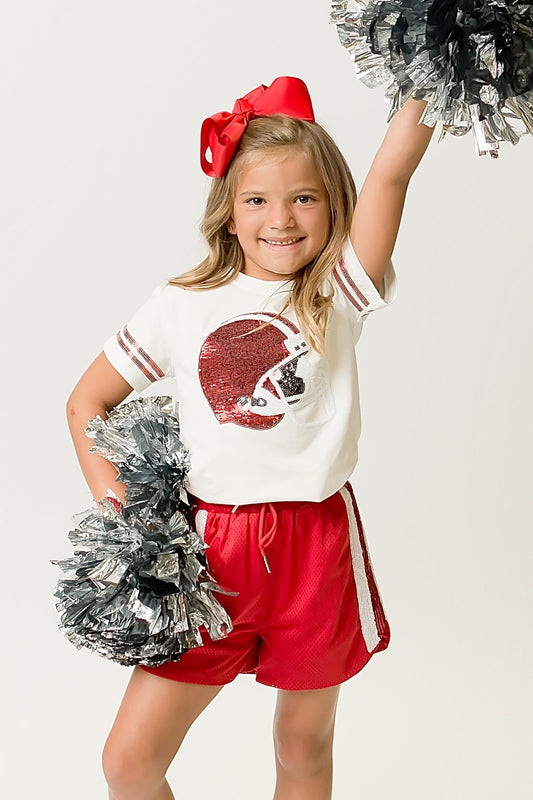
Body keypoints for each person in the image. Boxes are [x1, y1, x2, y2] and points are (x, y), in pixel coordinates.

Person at [66, 76, 434, 800]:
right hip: (209, 556)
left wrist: (433, 63)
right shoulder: (179, 305)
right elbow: (87, 401)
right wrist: (129, 523)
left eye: (304, 197)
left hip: (316, 547)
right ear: (228, 214)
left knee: (302, 748)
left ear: (333, 206)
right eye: (257, 200)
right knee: (129, 763)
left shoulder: (339, 289)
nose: (282, 219)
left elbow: (392, 168)